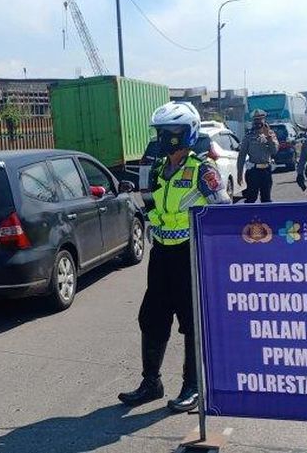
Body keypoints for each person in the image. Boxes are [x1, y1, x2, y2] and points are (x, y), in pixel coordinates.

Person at [118, 101, 230, 413]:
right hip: (162, 254)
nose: (167, 137)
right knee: (151, 317)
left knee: (191, 321)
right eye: (161, 131)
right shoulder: (157, 169)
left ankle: (192, 386)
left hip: (189, 256)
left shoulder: (202, 169)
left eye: (174, 131)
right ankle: (151, 383)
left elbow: (221, 209)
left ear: (189, 132)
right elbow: (153, 204)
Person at [236, 109, 279, 203]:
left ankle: (266, 217)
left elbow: (274, 151)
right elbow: (242, 155)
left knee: (266, 199)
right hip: (253, 171)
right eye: (256, 120)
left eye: (260, 119)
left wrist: (268, 137)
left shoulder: (270, 134)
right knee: (251, 198)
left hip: (266, 171)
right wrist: (239, 173)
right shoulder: (248, 136)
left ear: (264, 120)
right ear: (253, 121)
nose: (258, 122)